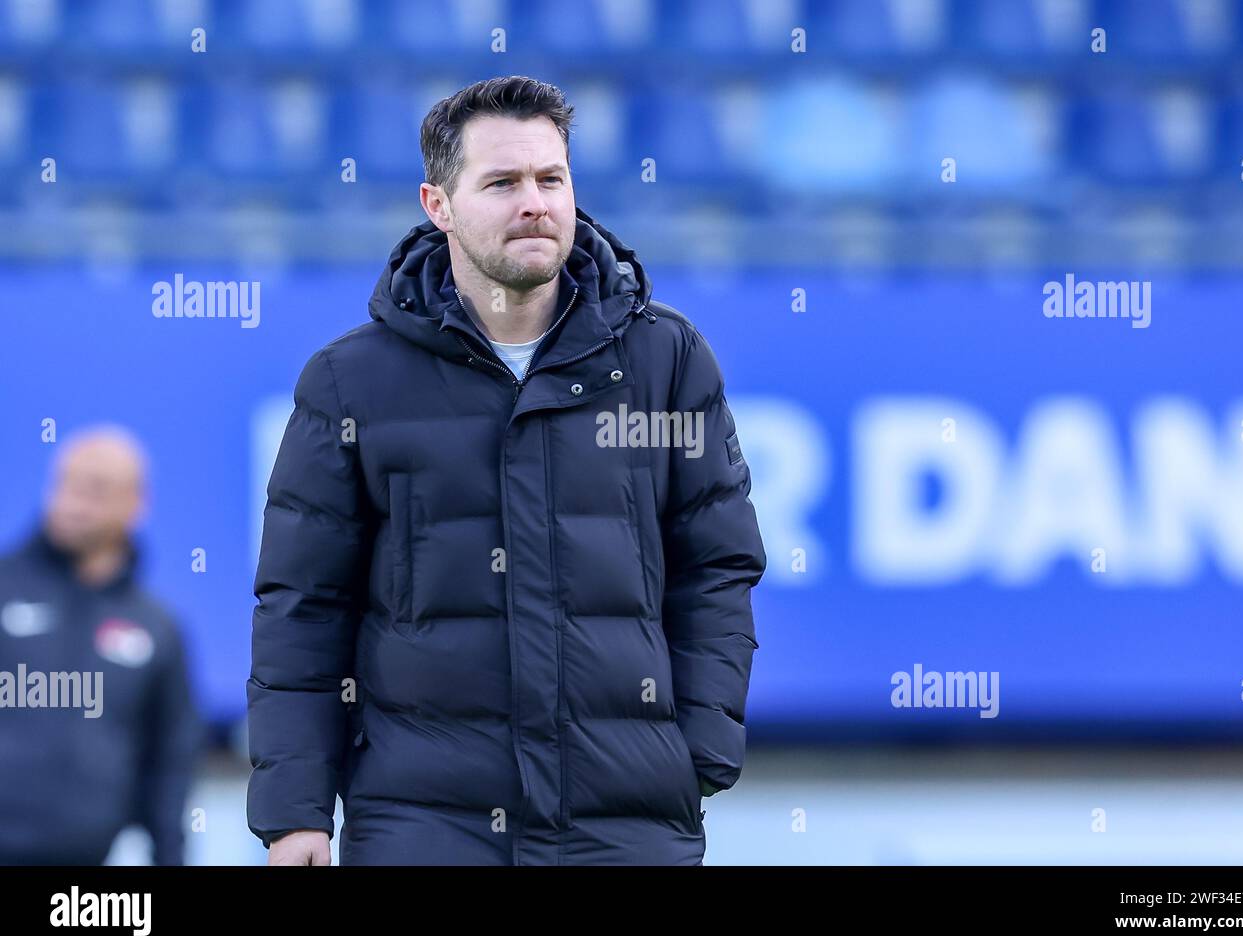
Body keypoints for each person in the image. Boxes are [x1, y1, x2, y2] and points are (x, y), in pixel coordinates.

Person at [247, 75, 766, 866]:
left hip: (628, 823)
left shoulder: (668, 360)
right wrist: (295, 811)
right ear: (438, 205)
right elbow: (302, 611)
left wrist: (696, 751)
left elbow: (717, 569)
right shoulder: (349, 384)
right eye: (503, 183)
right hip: (424, 826)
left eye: (550, 178)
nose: (535, 202)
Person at [0, 425, 203, 865]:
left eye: (96, 489)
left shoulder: (157, 627)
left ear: (137, 503)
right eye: (66, 483)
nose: (74, 502)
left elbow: (169, 765)